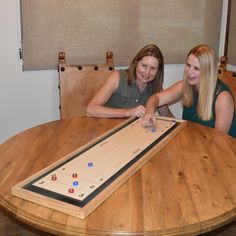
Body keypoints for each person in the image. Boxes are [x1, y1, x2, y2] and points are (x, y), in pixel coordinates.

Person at [142, 44, 236, 138]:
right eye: (188, 65)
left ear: (208, 71)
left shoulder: (223, 98)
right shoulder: (186, 85)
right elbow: (156, 98)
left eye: (196, 68)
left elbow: (218, 140)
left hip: (223, 149)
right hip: (196, 141)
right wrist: (150, 110)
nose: (189, 71)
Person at [86, 44, 173, 118]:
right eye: (144, 66)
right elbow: (90, 109)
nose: (147, 72)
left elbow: (167, 115)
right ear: (136, 63)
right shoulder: (117, 76)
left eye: (153, 68)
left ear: (158, 71)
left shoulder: (156, 86)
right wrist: (128, 112)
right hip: (107, 129)